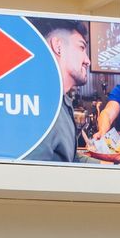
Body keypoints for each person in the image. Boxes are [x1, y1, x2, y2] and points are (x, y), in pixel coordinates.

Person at [28, 18, 92, 163]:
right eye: (81, 48)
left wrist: (117, 166)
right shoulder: (39, 106)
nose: (87, 61)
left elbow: (71, 158)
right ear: (58, 47)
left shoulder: (62, 103)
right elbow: (32, 170)